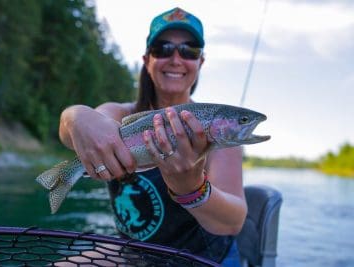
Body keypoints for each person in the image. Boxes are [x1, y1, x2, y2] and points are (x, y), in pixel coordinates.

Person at [59, 7, 246, 266]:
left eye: (189, 50)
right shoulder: (118, 115)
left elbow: (234, 222)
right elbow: (76, 132)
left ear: (200, 62)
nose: (176, 59)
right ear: (147, 60)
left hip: (203, 258)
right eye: (163, 49)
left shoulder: (215, 131)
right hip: (133, 253)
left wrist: (192, 189)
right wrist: (75, 116)